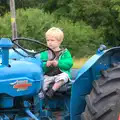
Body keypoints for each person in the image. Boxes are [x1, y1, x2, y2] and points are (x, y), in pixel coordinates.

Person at [39, 27, 73, 99]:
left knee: (64, 77)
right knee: (42, 82)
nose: (49, 42)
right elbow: (40, 64)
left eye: (52, 40)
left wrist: (58, 63)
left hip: (60, 73)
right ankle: (41, 97)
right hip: (48, 75)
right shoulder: (44, 53)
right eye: (48, 40)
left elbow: (69, 63)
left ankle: (52, 91)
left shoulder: (65, 53)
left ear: (59, 41)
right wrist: (46, 64)